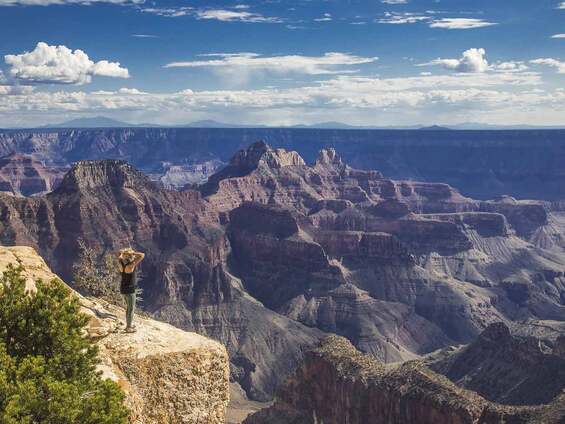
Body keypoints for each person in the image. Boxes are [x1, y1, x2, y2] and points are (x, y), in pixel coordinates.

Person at [117, 247, 145, 333]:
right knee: (131, 308)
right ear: (130, 257)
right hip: (130, 290)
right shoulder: (130, 266)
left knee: (128, 308)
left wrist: (124, 253)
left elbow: (119, 256)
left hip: (123, 289)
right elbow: (142, 255)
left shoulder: (121, 264)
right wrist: (133, 253)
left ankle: (129, 324)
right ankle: (128, 327)